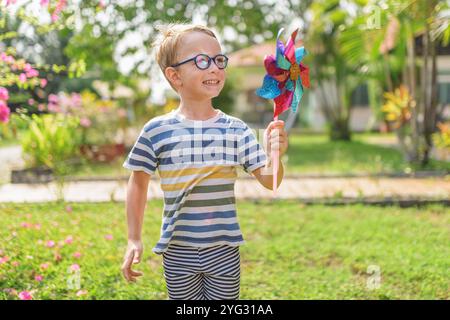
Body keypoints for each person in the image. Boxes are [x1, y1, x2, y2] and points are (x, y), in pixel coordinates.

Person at [121, 23, 288, 300]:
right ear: (174, 76)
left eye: (219, 59)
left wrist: (275, 155)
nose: (214, 68)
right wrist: (133, 237)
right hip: (177, 251)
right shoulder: (156, 130)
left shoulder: (236, 129)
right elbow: (138, 184)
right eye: (202, 60)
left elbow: (270, 180)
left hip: (224, 250)